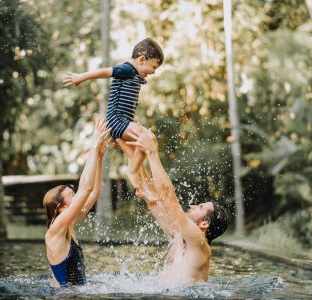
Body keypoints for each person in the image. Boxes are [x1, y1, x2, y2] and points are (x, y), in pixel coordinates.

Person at [118, 126, 228, 284]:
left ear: (204, 223)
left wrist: (153, 152)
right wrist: (130, 149)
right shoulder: (179, 235)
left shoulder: (199, 242)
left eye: (200, 207)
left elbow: (168, 197)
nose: (192, 205)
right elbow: (153, 193)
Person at [63, 38, 164, 199]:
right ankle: (130, 172)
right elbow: (105, 72)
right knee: (146, 140)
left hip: (124, 122)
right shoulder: (127, 69)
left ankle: (140, 188)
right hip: (117, 121)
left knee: (137, 152)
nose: (153, 72)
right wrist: (82, 77)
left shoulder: (135, 73)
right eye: (153, 67)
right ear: (142, 59)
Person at [43, 118, 111, 288]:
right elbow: (86, 188)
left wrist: (100, 157)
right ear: (62, 207)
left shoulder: (69, 224)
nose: (77, 195)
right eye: (72, 194)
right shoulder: (55, 231)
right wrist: (93, 148)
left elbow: (94, 192)